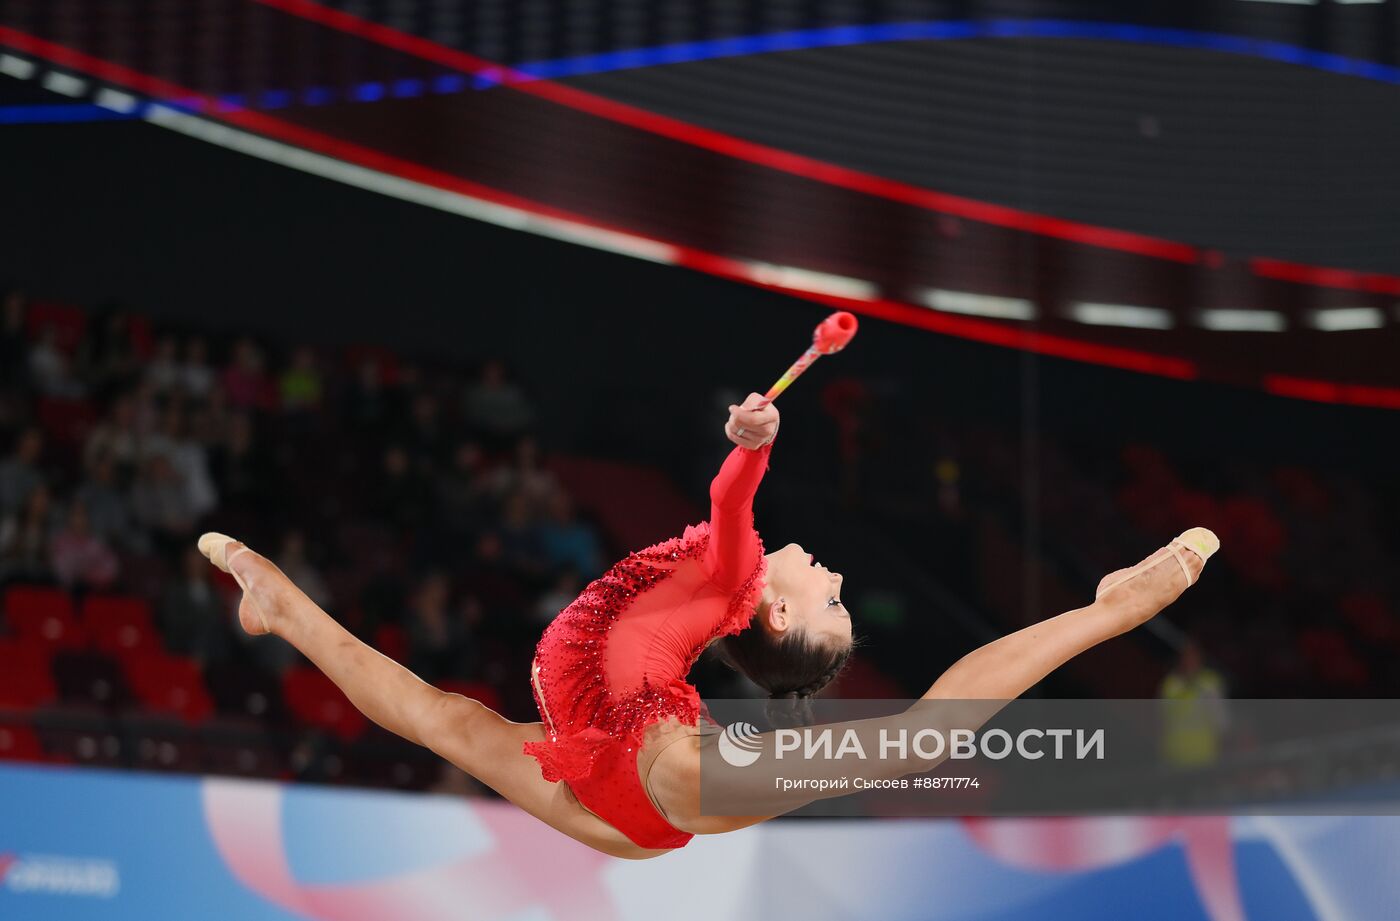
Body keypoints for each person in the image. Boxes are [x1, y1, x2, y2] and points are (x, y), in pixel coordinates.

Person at [196, 393, 1218, 859]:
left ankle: (1104, 613)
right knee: (443, 723)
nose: (834, 569)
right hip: (606, 782)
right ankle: (282, 608)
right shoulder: (713, 591)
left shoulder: (734, 581)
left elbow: (732, 510)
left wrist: (751, 445)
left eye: (828, 593)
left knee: (917, 739)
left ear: (773, 611)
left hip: (647, 774)